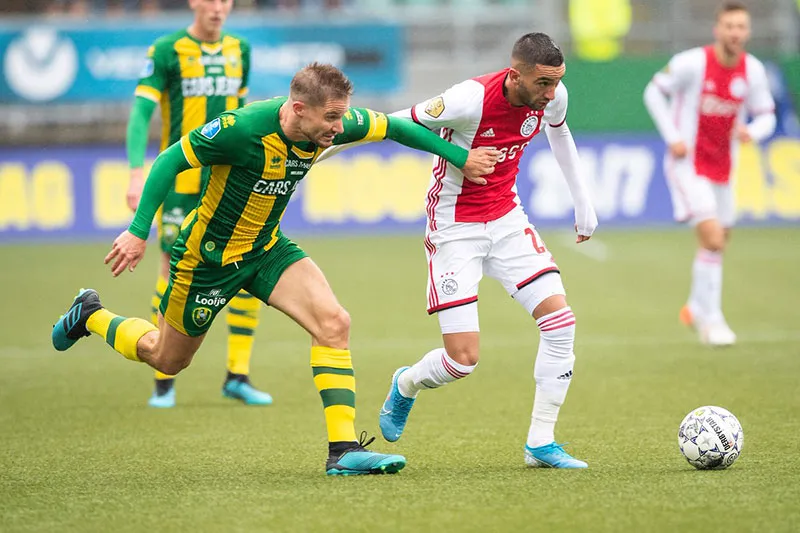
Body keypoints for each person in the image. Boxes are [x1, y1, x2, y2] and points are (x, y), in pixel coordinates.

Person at [52, 63, 498, 476]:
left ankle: (343, 451)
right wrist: (137, 230)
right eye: (331, 119)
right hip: (207, 258)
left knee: (333, 322)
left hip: (266, 248)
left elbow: (395, 126)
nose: (339, 128)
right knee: (166, 359)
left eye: (342, 118)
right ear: (298, 109)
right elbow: (170, 160)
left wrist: (457, 157)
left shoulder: (332, 124)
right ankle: (90, 314)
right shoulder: (240, 129)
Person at [372, 33, 598, 468]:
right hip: (455, 227)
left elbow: (561, 132)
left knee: (560, 323)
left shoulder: (553, 93)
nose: (552, 94)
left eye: (556, 84)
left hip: (508, 220)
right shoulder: (469, 98)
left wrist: (583, 201)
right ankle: (407, 384)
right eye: (543, 85)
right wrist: (458, 156)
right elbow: (398, 124)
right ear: (515, 76)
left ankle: (540, 443)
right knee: (463, 360)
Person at [126, 0, 271, 407]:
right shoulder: (167, 50)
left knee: (246, 259)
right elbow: (140, 114)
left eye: (226, 1)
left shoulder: (240, 49)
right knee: (171, 263)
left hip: (230, 179)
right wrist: (137, 171)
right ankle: (162, 377)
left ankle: (237, 375)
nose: (218, 7)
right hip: (182, 177)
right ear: (194, 2)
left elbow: (242, 114)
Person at [644, 0, 775, 346]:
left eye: (741, 27)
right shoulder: (692, 63)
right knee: (713, 238)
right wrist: (673, 137)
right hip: (689, 165)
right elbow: (653, 92)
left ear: (748, 32)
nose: (735, 32)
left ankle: (694, 306)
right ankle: (711, 321)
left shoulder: (754, 71)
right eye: (729, 26)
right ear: (717, 29)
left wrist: (753, 131)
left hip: (724, 168)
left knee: (718, 243)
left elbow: (767, 115)